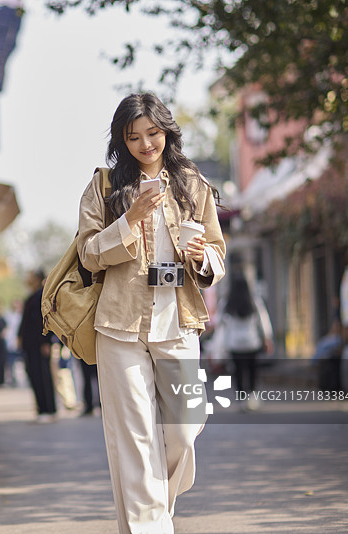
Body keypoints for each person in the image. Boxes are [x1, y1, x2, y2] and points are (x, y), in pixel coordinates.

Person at [76, 92, 226, 533]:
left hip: (179, 323)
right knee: (136, 443)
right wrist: (129, 219)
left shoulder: (192, 184)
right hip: (120, 328)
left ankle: (152, 510)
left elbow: (217, 252)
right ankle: (152, 525)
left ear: (166, 132)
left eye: (153, 133)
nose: (145, 144)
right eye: (134, 137)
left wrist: (201, 258)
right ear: (122, 141)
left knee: (184, 429)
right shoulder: (103, 187)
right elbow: (88, 254)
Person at [219, 274, 274, 410]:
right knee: (252, 370)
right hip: (252, 342)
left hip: (234, 344)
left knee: (238, 372)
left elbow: (219, 323)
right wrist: (267, 338)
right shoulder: (254, 301)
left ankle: (241, 400)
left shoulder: (227, 303)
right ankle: (253, 398)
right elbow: (263, 320)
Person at [18, 269, 57, 423]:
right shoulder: (32, 296)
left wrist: (46, 342)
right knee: (34, 375)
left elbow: (45, 321)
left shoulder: (42, 296)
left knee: (42, 376)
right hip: (30, 345)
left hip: (39, 345)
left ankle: (48, 409)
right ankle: (41, 408)